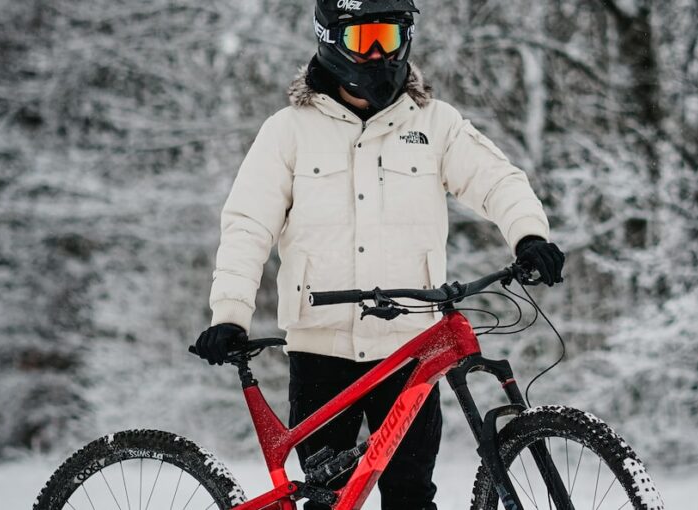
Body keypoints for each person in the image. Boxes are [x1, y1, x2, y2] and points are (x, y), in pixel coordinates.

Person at [195, 1, 565, 508]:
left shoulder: (436, 125)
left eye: (388, 38)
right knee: (328, 499)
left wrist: (528, 236)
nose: (376, 53)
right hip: (320, 348)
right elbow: (247, 227)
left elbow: (497, 180)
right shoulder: (288, 131)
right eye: (362, 38)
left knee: (411, 496)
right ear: (330, 39)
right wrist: (230, 315)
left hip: (410, 349)